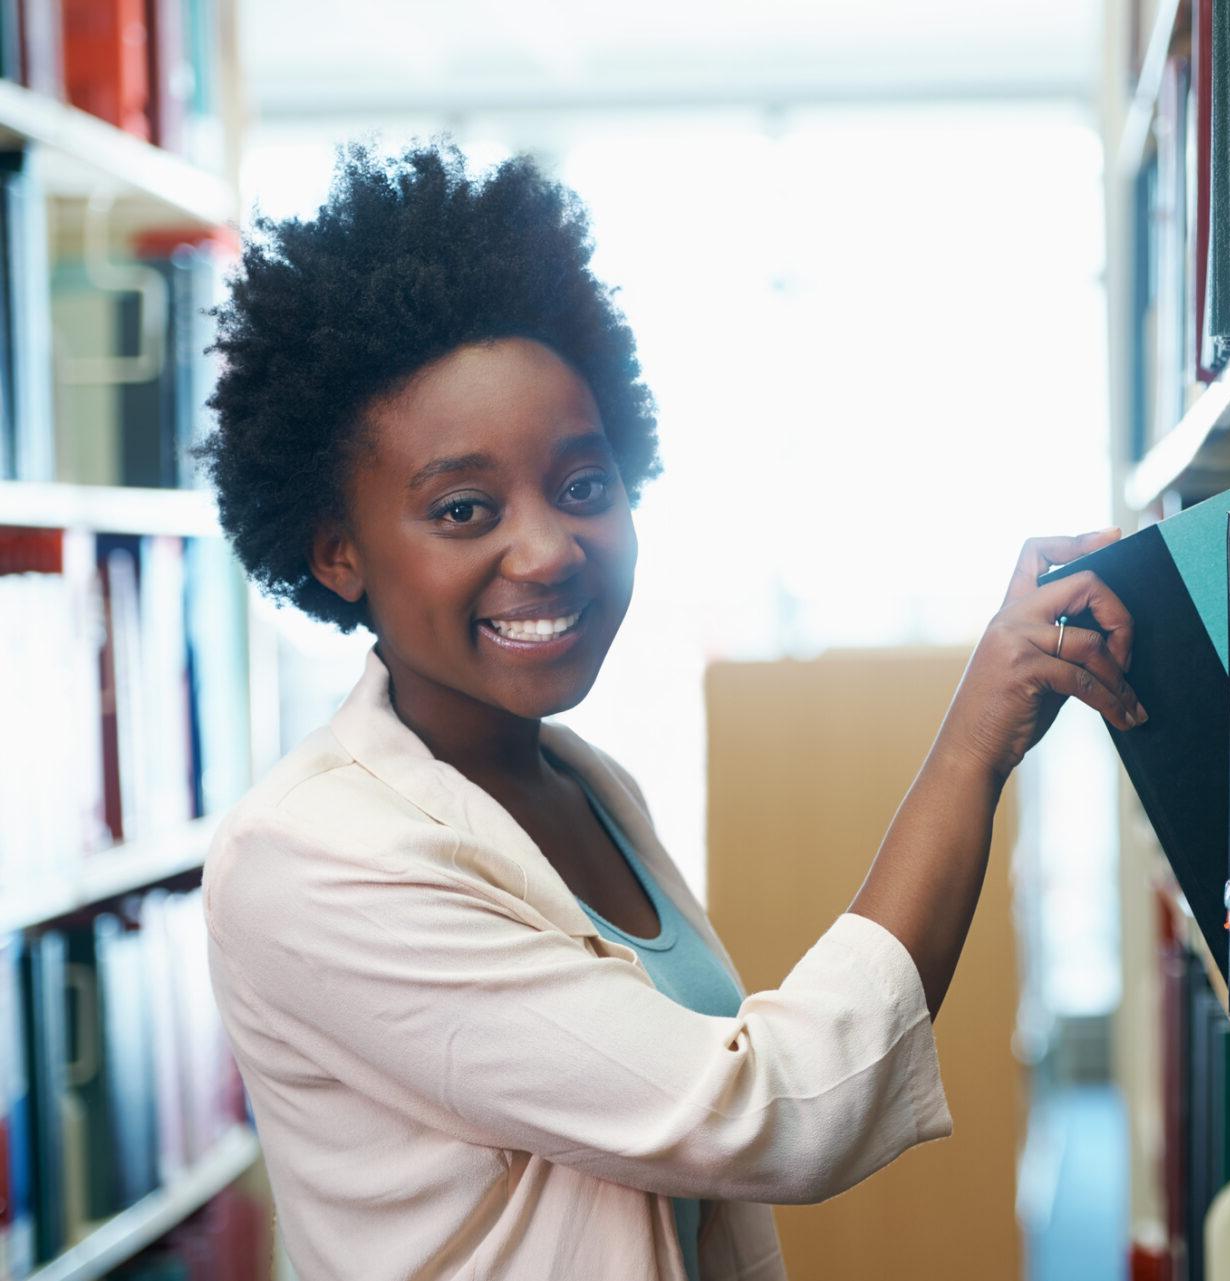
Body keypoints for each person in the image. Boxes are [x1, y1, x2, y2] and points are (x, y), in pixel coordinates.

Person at [193, 140, 1145, 1281]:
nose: (547, 549)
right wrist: (974, 741)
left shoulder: (583, 782)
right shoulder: (310, 859)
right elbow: (766, 1109)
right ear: (337, 552)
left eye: (584, 485)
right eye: (462, 508)